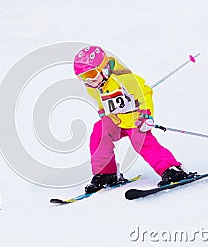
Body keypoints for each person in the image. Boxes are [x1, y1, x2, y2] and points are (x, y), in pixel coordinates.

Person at [73, 46, 193, 194]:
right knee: (99, 133)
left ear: (103, 68)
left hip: (135, 120)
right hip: (116, 121)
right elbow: (101, 102)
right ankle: (106, 173)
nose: (88, 81)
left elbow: (145, 94)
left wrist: (146, 115)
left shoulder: (125, 79)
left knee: (142, 143)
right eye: (82, 77)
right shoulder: (93, 86)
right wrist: (104, 114)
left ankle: (171, 169)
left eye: (91, 74)